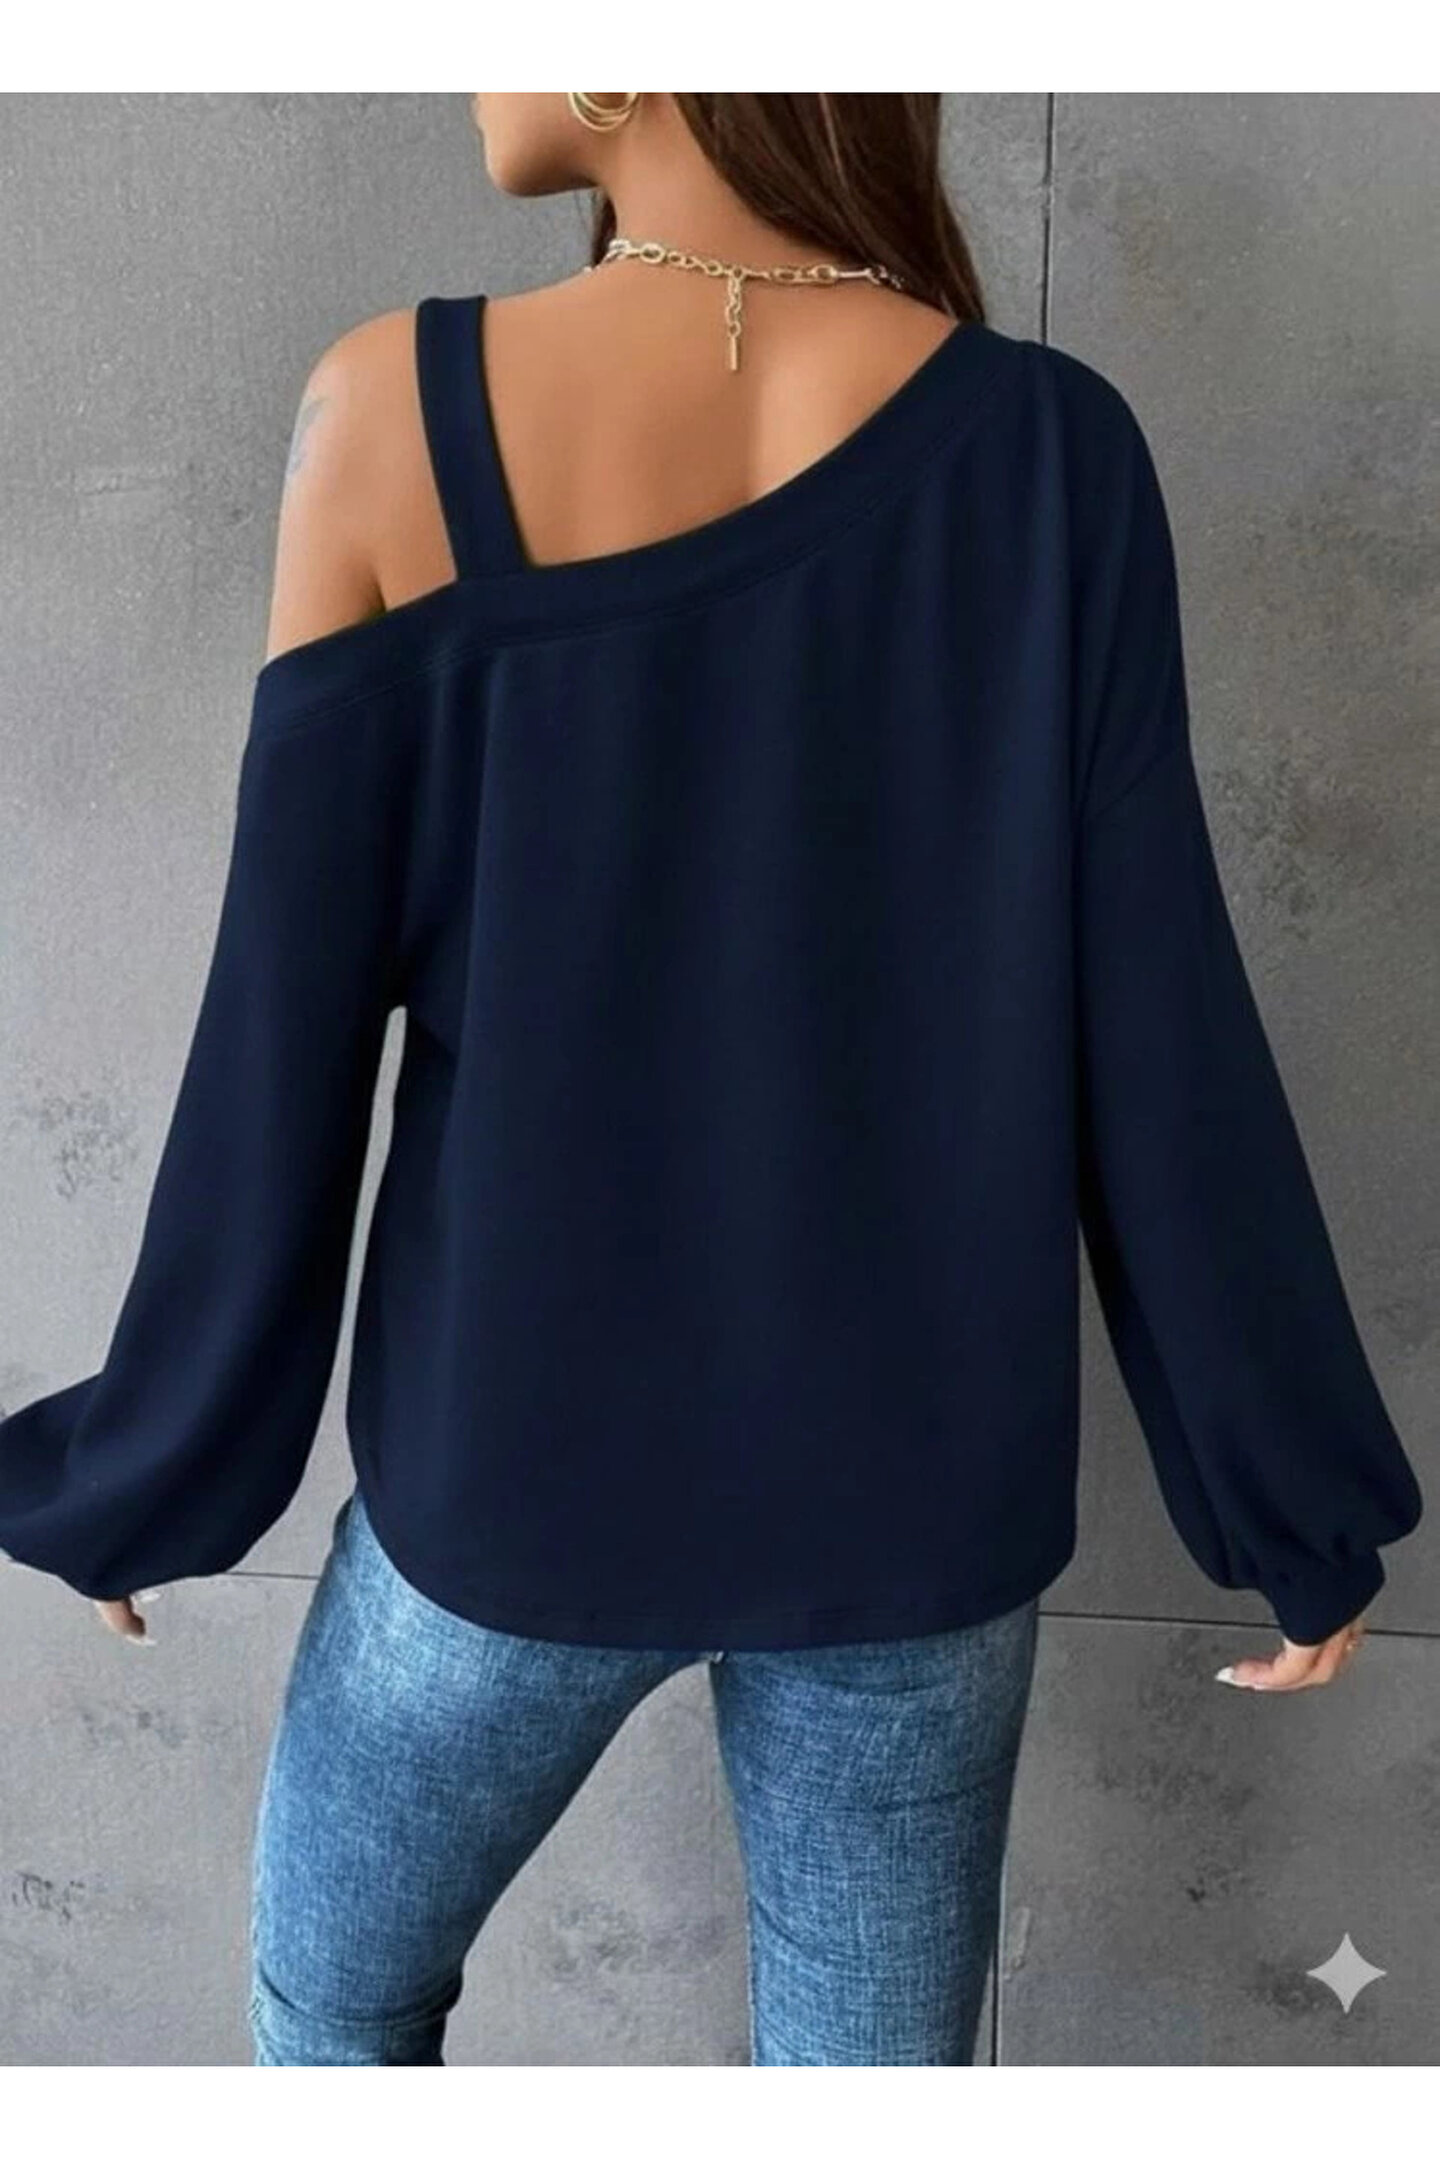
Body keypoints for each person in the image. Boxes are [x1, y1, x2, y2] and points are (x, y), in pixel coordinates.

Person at [0, 93, 1423, 2068]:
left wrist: (153, 1467)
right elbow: (1159, 1021)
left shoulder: (397, 407)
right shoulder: (1052, 448)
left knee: (333, 2018)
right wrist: (1291, 1497)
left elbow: (282, 1031)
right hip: (916, 1504)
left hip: (515, 1481)